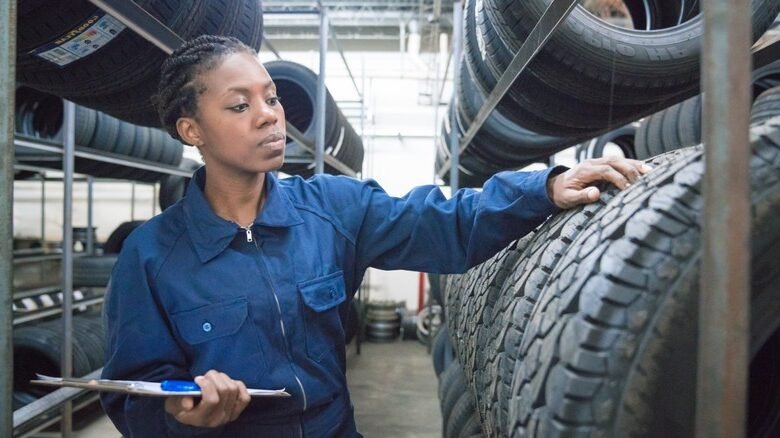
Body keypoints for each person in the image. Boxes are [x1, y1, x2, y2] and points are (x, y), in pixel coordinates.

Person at [100, 35, 650, 437]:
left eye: (271, 98)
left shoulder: (332, 210)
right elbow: (133, 394)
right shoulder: (151, 256)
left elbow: (447, 221)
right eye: (240, 106)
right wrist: (183, 416)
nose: (269, 117)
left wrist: (545, 189)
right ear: (191, 130)